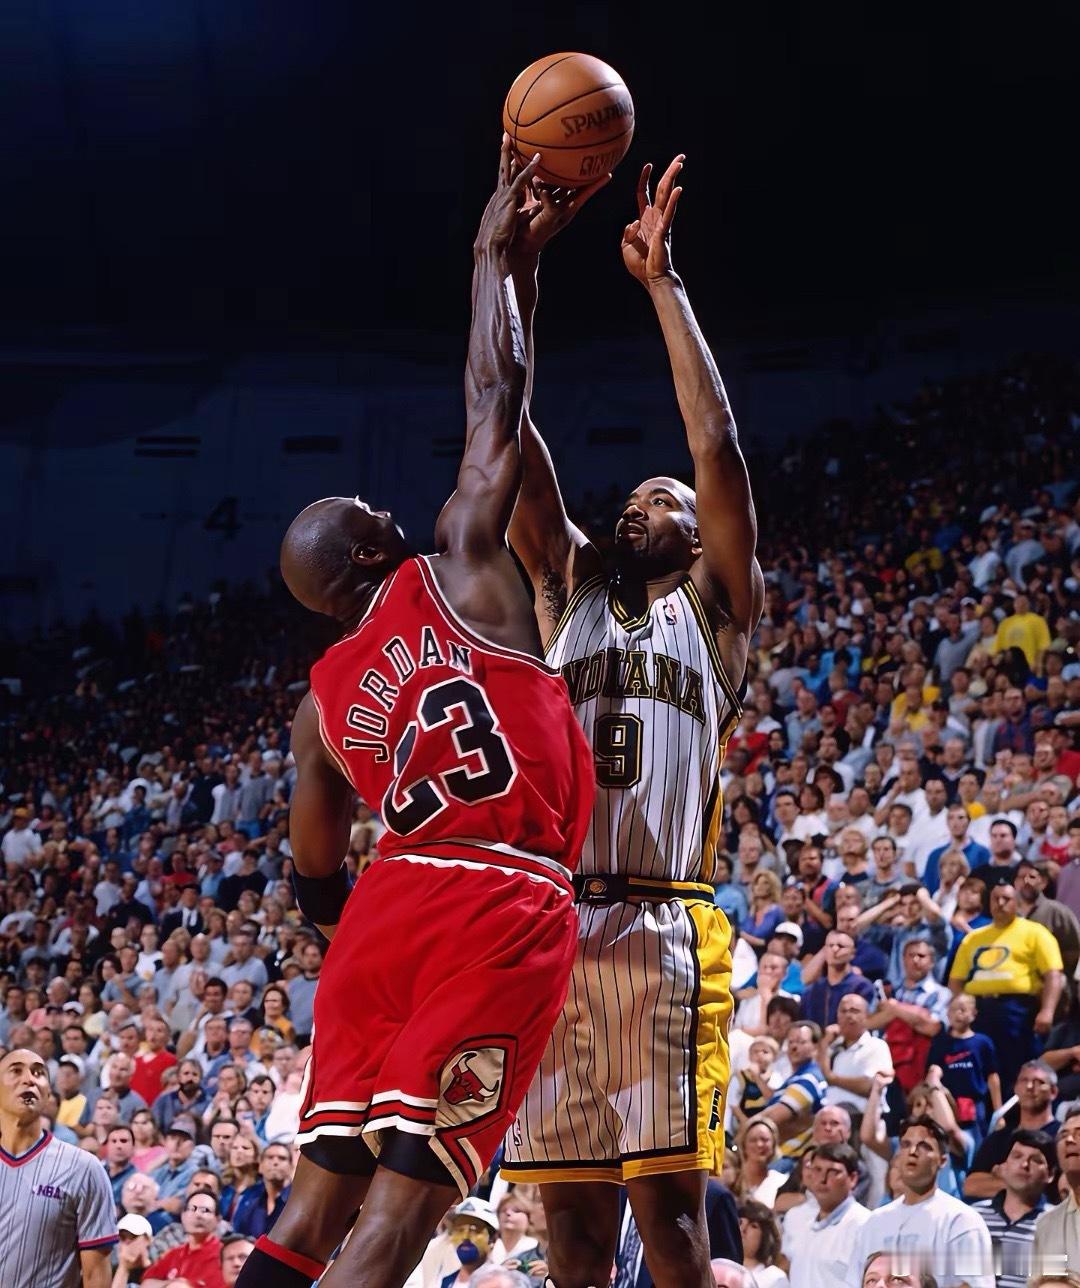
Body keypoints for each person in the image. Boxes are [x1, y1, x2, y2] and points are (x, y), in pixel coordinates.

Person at [235, 141, 595, 1288]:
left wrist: (370, 943)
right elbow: (498, 398)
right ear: (367, 552)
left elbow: (312, 877)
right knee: (398, 1222)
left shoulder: (318, 707)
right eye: (369, 510)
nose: (387, 507)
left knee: (308, 1213)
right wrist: (501, 259)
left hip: (384, 913)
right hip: (496, 894)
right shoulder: (461, 568)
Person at [499, 151, 763, 1288]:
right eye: (633, 498)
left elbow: (717, 451)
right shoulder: (565, 591)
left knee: (672, 1226)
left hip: (662, 926)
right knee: (568, 1233)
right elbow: (509, 433)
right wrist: (514, 269)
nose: (637, 505)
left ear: (699, 533)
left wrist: (663, 285)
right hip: (557, 924)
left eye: (660, 500)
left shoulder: (718, 609)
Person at [0, 1046, 117, 1287]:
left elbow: (96, 1274)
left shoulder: (84, 1169)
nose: (29, 1079)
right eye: (16, 1071)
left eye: (38, 1073)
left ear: (47, 1093)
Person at [849, 1116, 993, 1288]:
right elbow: (853, 1281)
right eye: (905, 1145)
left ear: (942, 1161)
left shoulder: (961, 1219)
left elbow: (976, 1284)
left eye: (924, 1146)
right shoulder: (874, 1221)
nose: (913, 1151)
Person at [948, 884, 1064, 1096]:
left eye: (1006, 899)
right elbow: (956, 981)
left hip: (1016, 1010)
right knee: (981, 1067)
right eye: (996, 898)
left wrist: (1047, 1011)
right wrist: (962, 1008)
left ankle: (1015, 1113)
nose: (1000, 903)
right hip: (979, 1010)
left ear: (1017, 902)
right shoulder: (973, 938)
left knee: (1014, 1068)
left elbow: (1053, 975)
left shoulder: (1035, 932)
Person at [971, 1129, 1053, 1288]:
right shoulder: (973, 1216)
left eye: (1036, 1160)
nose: (1024, 1165)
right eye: (1017, 1156)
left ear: (1051, 1174)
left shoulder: (1058, 1222)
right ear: (1003, 1166)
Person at [786, 1143, 869, 1288]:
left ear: (853, 1179)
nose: (822, 1179)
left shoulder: (865, 1225)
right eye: (817, 1170)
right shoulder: (800, 1222)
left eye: (833, 1172)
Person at [142, 1187, 226, 1288]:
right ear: (183, 1216)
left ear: (218, 1220)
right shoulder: (175, 1253)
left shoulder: (223, 1256)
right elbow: (146, 1283)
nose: (198, 1215)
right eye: (192, 1209)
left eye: (205, 1210)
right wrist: (172, 1283)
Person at [1032, 1103, 1080, 1275]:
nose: (1069, 1140)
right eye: (1063, 1135)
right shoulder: (1047, 1225)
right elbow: (1049, 1282)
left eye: (1079, 1133)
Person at [738, 1198, 789, 1288]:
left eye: (753, 1226)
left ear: (765, 1237)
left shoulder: (774, 1278)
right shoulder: (720, 1269)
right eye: (740, 1222)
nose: (743, 1229)